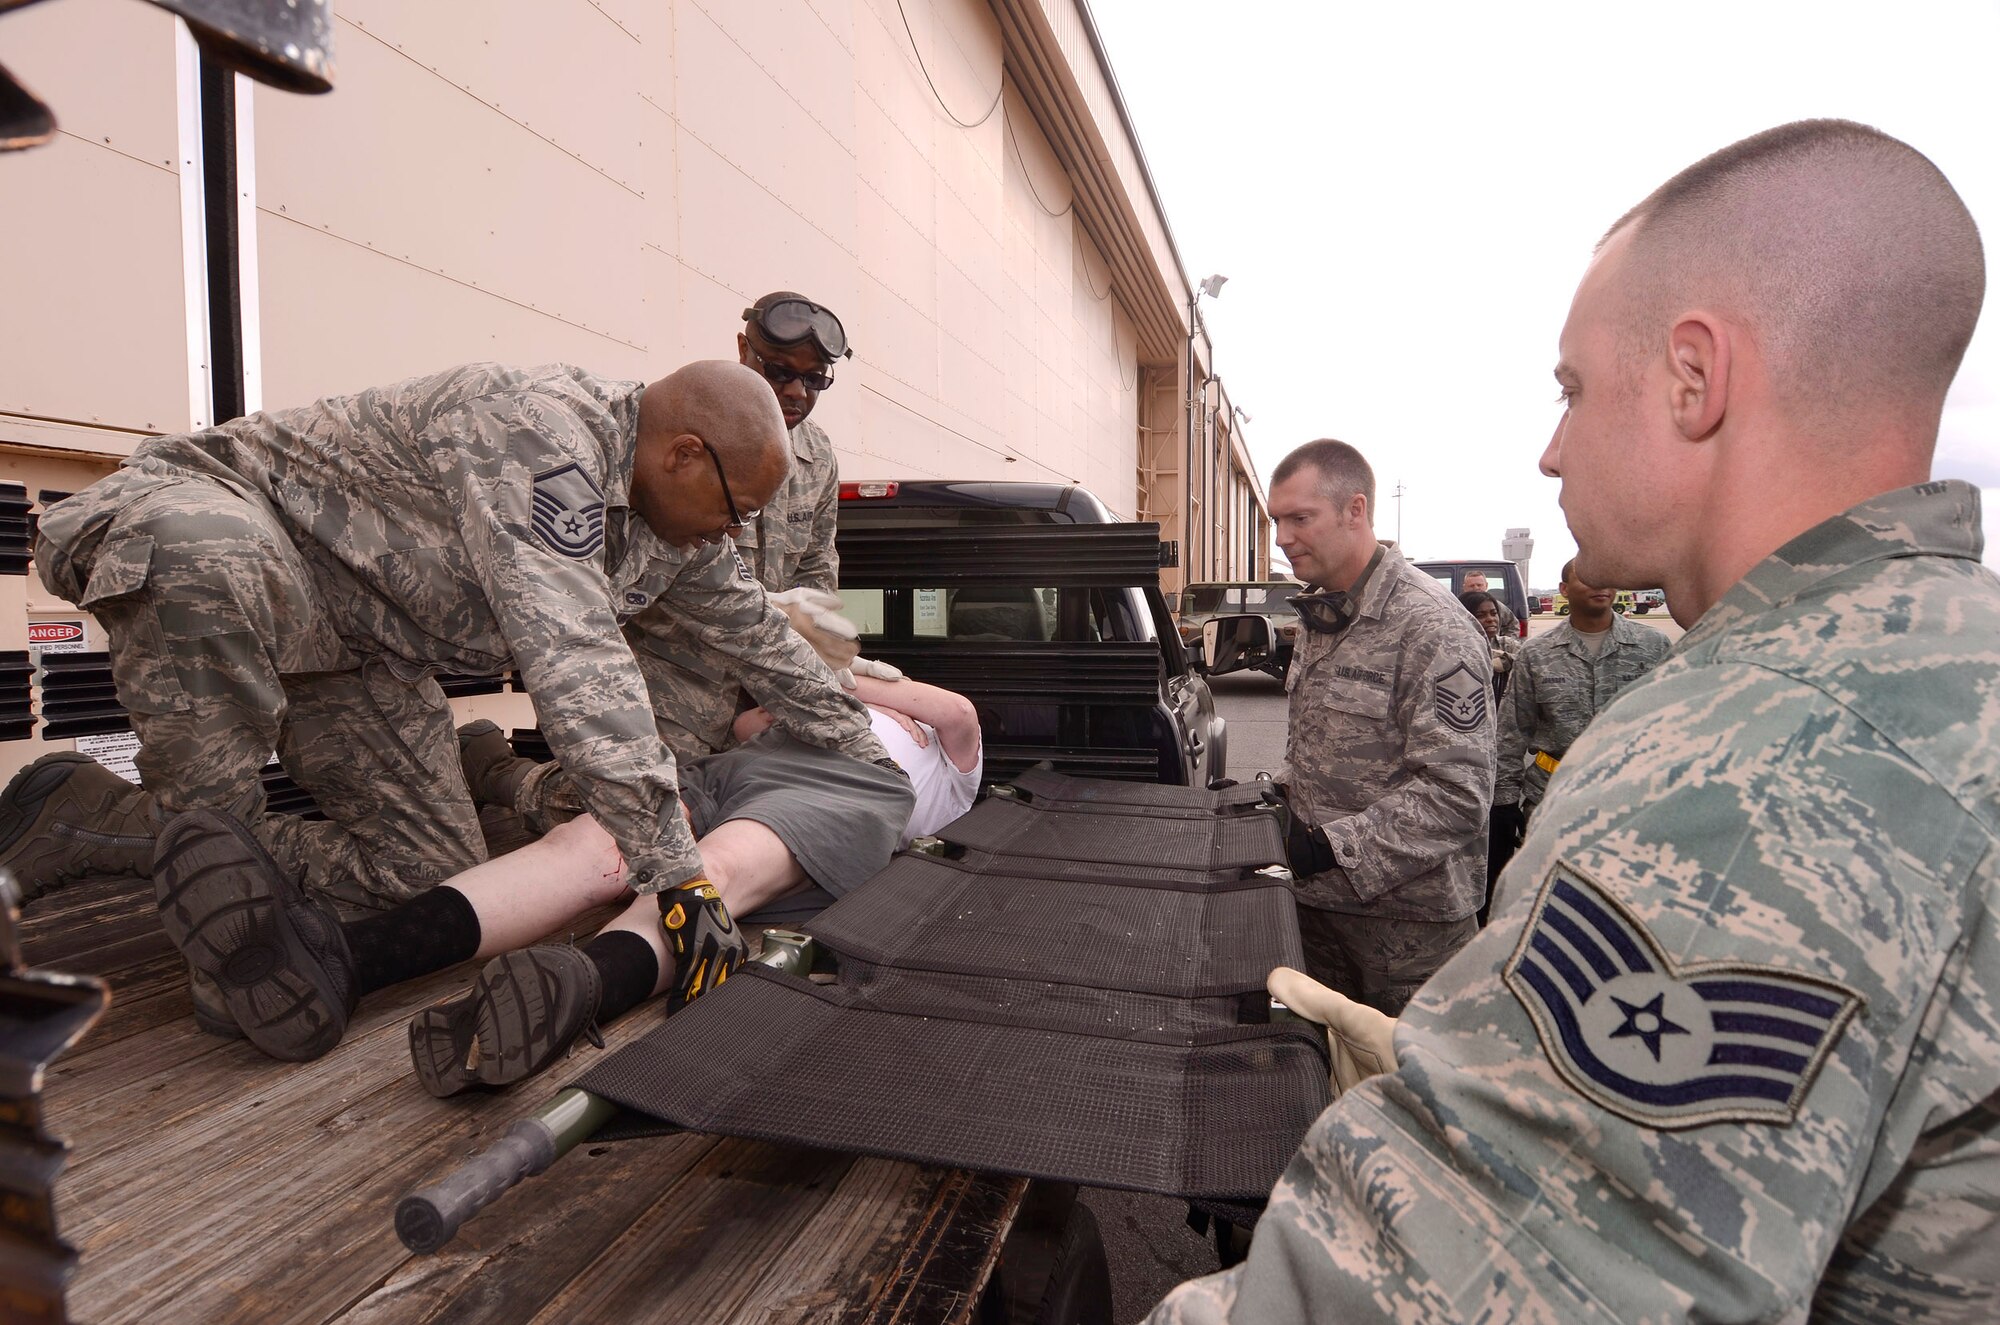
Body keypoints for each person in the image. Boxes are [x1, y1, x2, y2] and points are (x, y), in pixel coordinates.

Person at [1148, 119, 1994, 1322]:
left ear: (1694, 379)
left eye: (1573, 387)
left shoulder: (1759, 767)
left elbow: (1489, 1283)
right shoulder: (1932, 660)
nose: (1549, 450)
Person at [0, 360, 897, 1032]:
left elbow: (760, 635)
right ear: (685, 453)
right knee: (208, 551)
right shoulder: (541, 440)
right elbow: (577, 659)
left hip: (356, 644)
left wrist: (868, 756)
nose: (733, 532)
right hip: (227, 529)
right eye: (735, 508)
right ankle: (224, 936)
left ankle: (92, 818)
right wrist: (679, 877)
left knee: (427, 873)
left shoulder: (674, 529)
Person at [155, 672, 980, 1076]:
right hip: (733, 766)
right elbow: (750, 718)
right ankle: (346, 958)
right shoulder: (856, 699)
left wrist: (838, 677)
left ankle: (583, 983)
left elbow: (957, 713)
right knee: (589, 852)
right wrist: (829, 686)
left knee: (711, 875)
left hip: (847, 786)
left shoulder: (946, 759)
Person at [1269, 439, 1495, 1015]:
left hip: (1408, 937)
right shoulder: (1325, 613)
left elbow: (1458, 793)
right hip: (1318, 915)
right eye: (1277, 520)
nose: (1282, 538)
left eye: (1300, 518)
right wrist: (1271, 798)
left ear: (1355, 510)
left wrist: (1328, 848)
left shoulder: (1431, 626)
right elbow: (1322, 750)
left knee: (1407, 1094)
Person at [1492, 558, 1671, 847]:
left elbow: (1672, 725)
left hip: (1633, 801)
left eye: (1605, 577)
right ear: (1564, 588)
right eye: (1588, 578)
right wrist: (1504, 804)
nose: (1599, 585)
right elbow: (1512, 732)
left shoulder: (1652, 646)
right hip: (1554, 800)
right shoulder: (1536, 654)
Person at [1455, 589, 1520, 699]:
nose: (1490, 619)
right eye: (1481, 615)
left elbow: (1530, 665)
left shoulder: (1507, 645)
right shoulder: (1454, 649)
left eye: (1494, 613)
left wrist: (1507, 659)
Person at [1459, 569, 1519, 636]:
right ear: (1464, 588)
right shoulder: (1458, 607)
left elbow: (1513, 625)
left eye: (1479, 585)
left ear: (1486, 585)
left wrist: (1504, 643)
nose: (1476, 588)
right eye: (1471, 586)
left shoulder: (1497, 606)